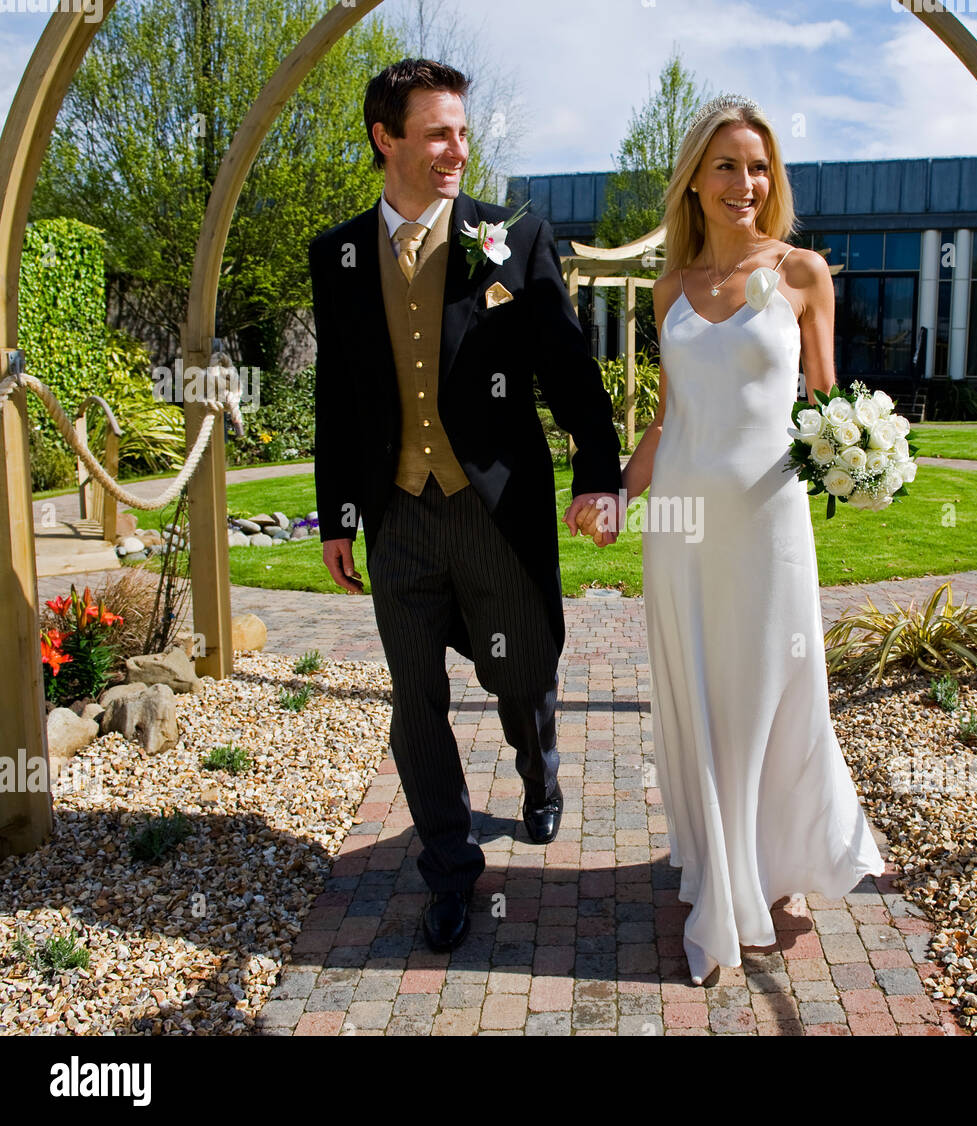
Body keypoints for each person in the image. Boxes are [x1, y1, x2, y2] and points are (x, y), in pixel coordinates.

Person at [309, 59, 622, 954]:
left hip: (495, 509)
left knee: (518, 675)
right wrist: (337, 516)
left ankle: (539, 765)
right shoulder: (336, 252)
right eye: (439, 132)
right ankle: (448, 875)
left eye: (462, 132)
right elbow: (339, 390)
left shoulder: (510, 236)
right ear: (387, 137)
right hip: (398, 514)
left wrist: (596, 470)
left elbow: (567, 366)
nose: (458, 149)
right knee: (416, 699)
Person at [577, 94, 885, 986]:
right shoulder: (672, 288)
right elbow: (670, 423)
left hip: (769, 526)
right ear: (695, 180)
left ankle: (768, 866)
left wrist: (865, 455)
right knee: (700, 697)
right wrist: (614, 493)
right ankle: (720, 873)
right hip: (681, 529)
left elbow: (829, 406)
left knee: (767, 693)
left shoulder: (802, 274)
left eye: (758, 167)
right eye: (725, 165)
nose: (743, 183)